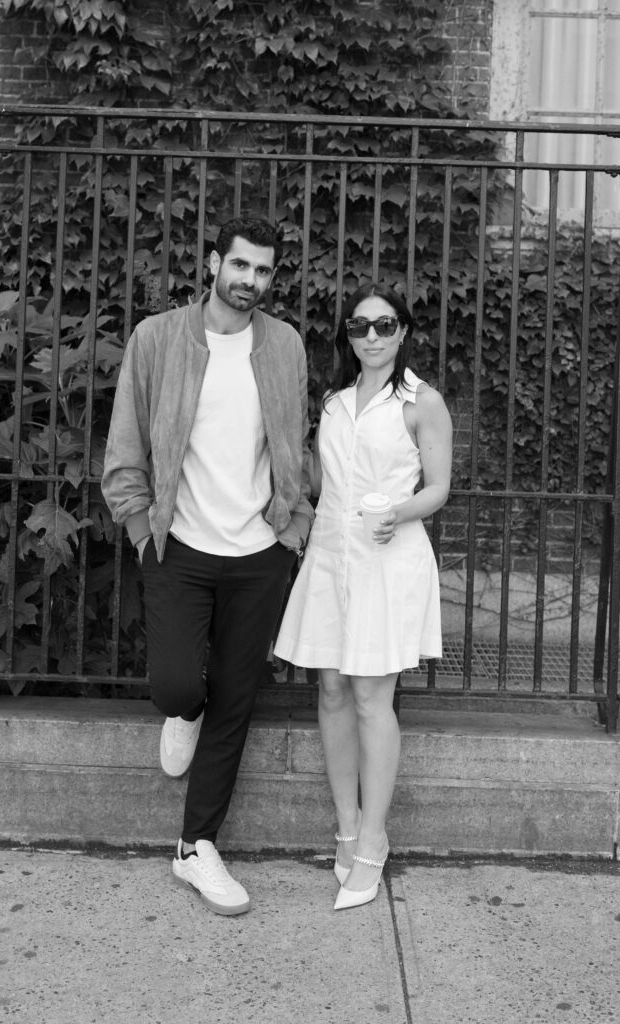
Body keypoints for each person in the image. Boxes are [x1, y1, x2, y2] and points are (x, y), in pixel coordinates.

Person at [101, 217, 313, 916]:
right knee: (175, 684)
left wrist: (295, 525)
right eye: (242, 266)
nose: (251, 281)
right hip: (180, 546)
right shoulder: (159, 338)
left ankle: (196, 847)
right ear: (214, 262)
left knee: (236, 698)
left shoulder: (283, 345)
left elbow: (295, 442)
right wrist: (138, 528)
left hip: (260, 551)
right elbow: (128, 439)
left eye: (264, 271)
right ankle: (181, 710)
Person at [274, 281, 452, 911]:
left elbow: (439, 488)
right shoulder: (334, 401)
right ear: (347, 337)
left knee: (374, 696)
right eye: (358, 328)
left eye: (383, 326)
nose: (371, 337)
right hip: (329, 552)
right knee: (329, 689)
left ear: (403, 331)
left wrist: (398, 512)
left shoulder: (421, 402)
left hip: (386, 556)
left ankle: (374, 841)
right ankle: (346, 825)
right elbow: (323, 482)